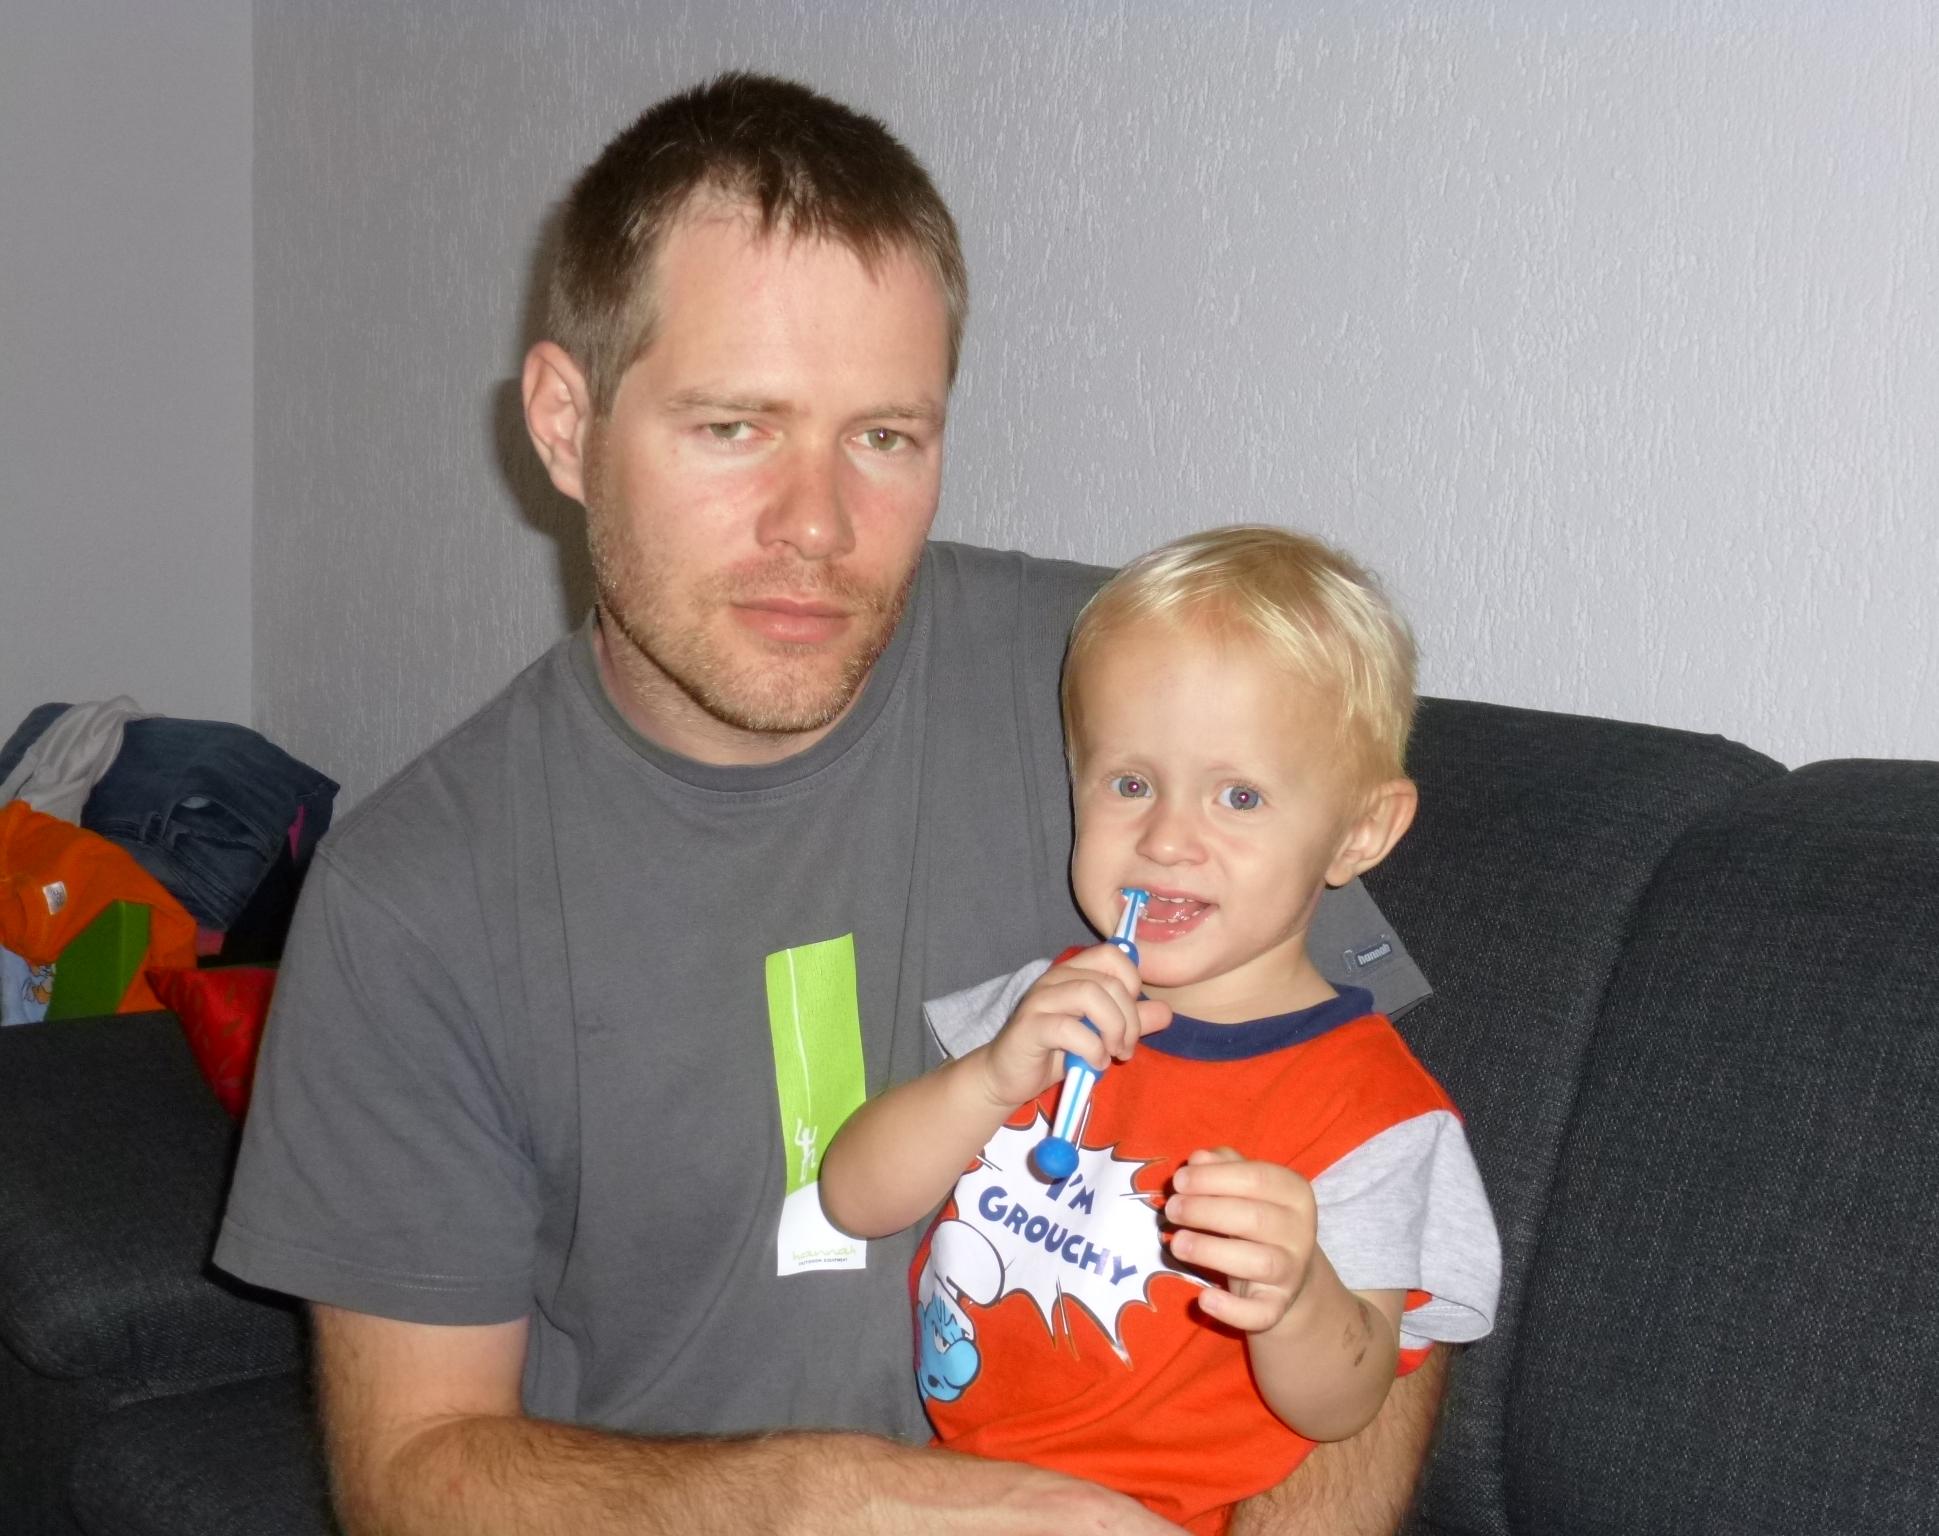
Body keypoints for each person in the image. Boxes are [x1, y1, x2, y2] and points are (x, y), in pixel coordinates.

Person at [215, 73, 1448, 1534]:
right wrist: (830, 1501)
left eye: (884, 438)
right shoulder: (411, 900)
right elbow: (414, 1476)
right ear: (564, 422)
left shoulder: (1134, 696)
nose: (815, 526)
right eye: (735, 426)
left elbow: (1389, 1222)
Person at [821, 527, 1499, 1533]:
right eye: (1129, 784)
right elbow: (853, 1198)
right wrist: (988, 1078)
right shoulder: (1045, 1005)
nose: (1168, 839)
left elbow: (1342, 1405)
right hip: (951, 1488)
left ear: (1358, 832)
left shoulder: (1376, 1119)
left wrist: (1297, 1295)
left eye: (1239, 796)